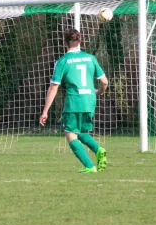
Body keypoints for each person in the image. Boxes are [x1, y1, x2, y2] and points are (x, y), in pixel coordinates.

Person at [39, 29, 109, 173]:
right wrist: (99, 92)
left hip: (74, 100)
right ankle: (98, 149)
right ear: (80, 41)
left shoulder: (62, 61)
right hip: (89, 100)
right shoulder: (91, 58)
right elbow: (105, 82)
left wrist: (45, 111)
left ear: (65, 43)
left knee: (70, 134)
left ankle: (89, 166)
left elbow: (53, 88)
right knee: (81, 130)